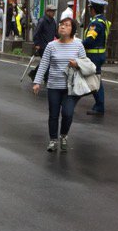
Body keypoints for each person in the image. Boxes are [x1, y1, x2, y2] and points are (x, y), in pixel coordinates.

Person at [33, 16, 89, 152]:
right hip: (54, 86)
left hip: (71, 87)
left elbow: (85, 63)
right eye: (61, 24)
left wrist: (77, 64)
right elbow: (44, 64)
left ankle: (63, 136)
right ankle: (53, 140)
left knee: (68, 113)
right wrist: (37, 82)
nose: (63, 27)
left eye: (67, 25)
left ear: (72, 29)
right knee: (53, 114)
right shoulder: (51, 46)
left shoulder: (78, 45)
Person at [84, 0, 110, 115]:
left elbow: (90, 40)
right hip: (99, 55)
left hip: (94, 56)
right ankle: (99, 104)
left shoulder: (96, 23)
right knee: (96, 80)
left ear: (93, 9)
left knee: (94, 81)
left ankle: (99, 106)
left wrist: (78, 44)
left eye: (90, 8)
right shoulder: (103, 21)